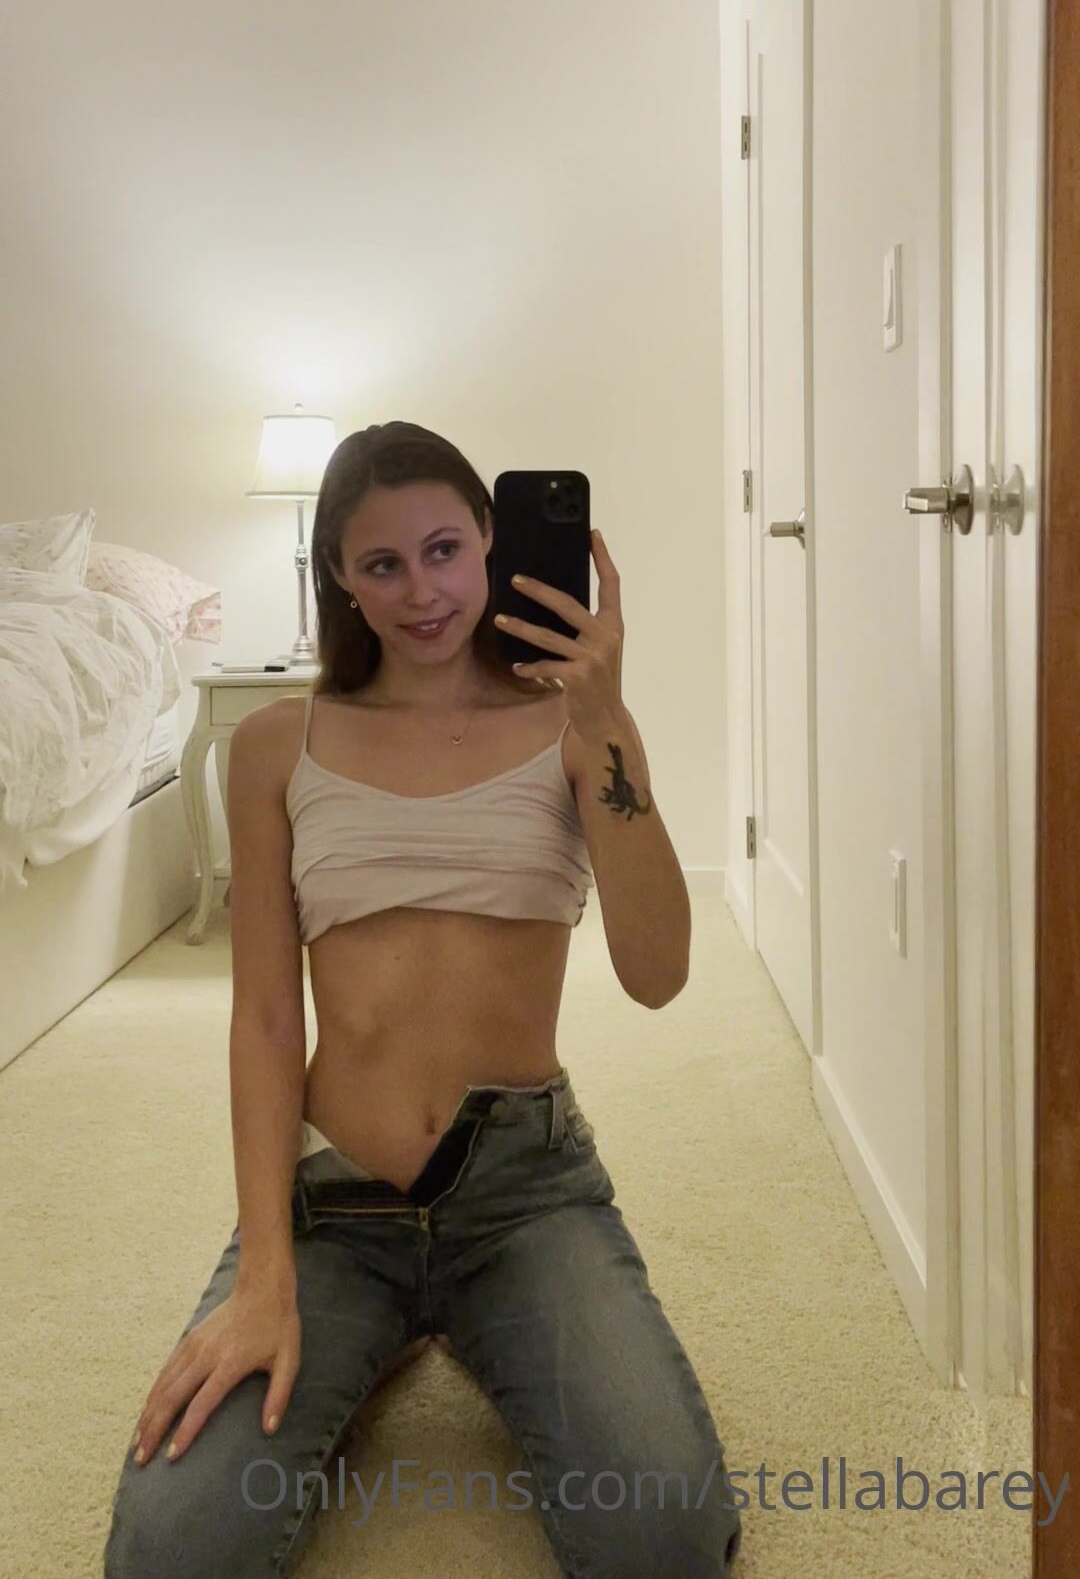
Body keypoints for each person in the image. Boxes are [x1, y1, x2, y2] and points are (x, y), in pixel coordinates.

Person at [103, 422, 743, 1577]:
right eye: (383, 564)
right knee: (171, 1554)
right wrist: (265, 1275)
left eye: (445, 550)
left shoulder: (574, 732)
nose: (422, 592)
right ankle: (380, 1327)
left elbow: (659, 975)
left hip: (523, 1196)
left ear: (491, 539)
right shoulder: (276, 746)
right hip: (332, 1204)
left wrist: (605, 720)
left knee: (664, 1539)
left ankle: (454, 1322)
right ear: (339, 577)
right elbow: (264, 1021)